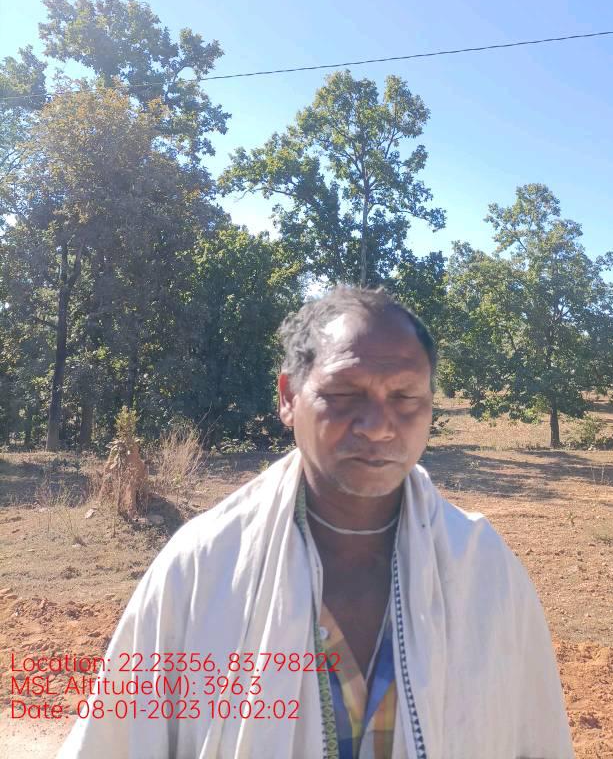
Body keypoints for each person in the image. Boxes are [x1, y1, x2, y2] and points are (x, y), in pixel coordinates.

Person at [58, 285, 574, 758]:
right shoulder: (203, 568)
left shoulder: (484, 570)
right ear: (288, 397)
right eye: (345, 394)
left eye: (405, 397)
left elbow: (536, 738)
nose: (378, 426)